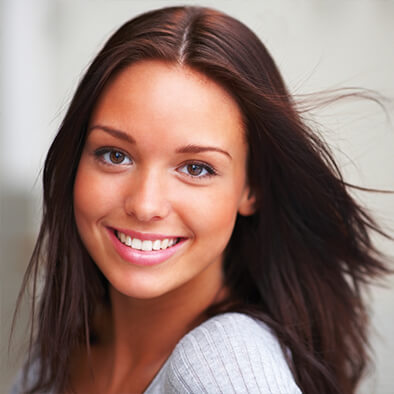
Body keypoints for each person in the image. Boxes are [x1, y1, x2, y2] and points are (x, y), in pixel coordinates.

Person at [10, 5, 391, 394]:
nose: (145, 204)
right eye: (115, 155)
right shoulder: (58, 351)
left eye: (195, 168)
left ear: (251, 187)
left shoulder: (222, 362)